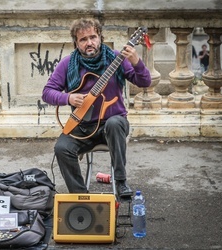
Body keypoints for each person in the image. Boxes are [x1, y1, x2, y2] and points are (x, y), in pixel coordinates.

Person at [42, 18, 151, 196]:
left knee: (115, 123)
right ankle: (81, 197)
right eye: (83, 39)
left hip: (113, 126)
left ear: (100, 37)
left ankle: (121, 181)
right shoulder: (68, 64)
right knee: (61, 148)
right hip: (82, 126)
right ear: (76, 43)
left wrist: (137, 62)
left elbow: (144, 82)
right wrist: (68, 98)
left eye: (93, 37)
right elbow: (47, 92)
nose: (89, 43)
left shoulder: (116, 58)